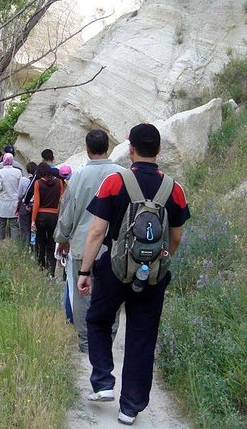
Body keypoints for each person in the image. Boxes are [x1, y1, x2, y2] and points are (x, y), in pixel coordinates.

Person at [77, 123, 190, 425]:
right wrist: (159, 262)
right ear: (159, 150)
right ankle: (130, 407)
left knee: (98, 320)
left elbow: (97, 231)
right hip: (152, 275)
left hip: (114, 269)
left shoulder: (115, 181)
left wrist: (84, 270)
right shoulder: (175, 189)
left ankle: (103, 382)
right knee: (142, 336)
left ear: (131, 149)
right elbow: (176, 237)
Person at [54, 129, 123, 353]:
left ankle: (86, 342)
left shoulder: (78, 177)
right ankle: (108, 339)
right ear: (108, 147)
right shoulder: (123, 175)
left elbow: (68, 214)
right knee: (111, 296)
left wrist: (62, 238)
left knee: (83, 296)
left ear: (87, 148)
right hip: (113, 249)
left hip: (82, 245)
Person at [31, 161, 64, 277]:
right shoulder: (59, 182)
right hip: (54, 216)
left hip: (41, 216)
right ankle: (52, 269)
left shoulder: (38, 183)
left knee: (40, 243)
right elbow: (61, 200)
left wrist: (33, 220)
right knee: (51, 243)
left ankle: (41, 266)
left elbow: (37, 203)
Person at [0, 153, 22, 239]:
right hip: (15, 201)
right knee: (14, 225)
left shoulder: (0, 172)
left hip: (3, 200)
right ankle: (14, 244)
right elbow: (20, 186)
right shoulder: (18, 172)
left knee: (1, 223)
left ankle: (1, 241)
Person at [18, 162, 37, 247]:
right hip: (35, 205)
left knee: (25, 228)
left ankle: (25, 248)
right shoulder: (38, 180)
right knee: (34, 228)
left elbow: (20, 195)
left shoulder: (23, 180)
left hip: (25, 204)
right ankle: (34, 248)